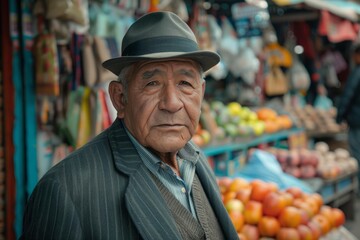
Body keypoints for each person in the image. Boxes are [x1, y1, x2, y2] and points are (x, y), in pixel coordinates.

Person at [20, 11, 239, 240]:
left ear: (201, 93)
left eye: (185, 83)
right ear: (120, 98)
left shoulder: (196, 160)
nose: (172, 103)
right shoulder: (65, 191)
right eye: (152, 83)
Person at [336, 43, 360, 195]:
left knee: (357, 154)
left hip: (357, 120)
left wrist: (340, 116)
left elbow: (348, 95)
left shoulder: (357, 72)